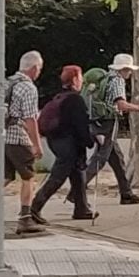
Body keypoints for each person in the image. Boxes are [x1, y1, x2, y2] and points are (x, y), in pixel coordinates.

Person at [78, 53, 139, 206]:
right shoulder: (117, 81)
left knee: (117, 158)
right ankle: (76, 191)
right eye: (128, 69)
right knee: (100, 158)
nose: (130, 73)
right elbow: (121, 105)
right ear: (123, 69)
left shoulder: (106, 78)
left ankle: (126, 193)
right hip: (108, 122)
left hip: (97, 121)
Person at [31, 65, 97, 222]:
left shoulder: (60, 97)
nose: (82, 81)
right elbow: (80, 125)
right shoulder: (75, 100)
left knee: (77, 173)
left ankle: (81, 208)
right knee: (58, 176)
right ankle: (34, 207)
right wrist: (90, 141)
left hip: (56, 141)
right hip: (68, 144)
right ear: (75, 79)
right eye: (80, 78)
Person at [6, 51, 45, 235]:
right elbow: (30, 118)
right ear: (34, 68)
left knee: (5, 177)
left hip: (3, 136)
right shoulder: (28, 88)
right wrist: (36, 144)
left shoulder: (8, 82)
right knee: (28, 177)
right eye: (39, 69)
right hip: (18, 136)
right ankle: (25, 218)